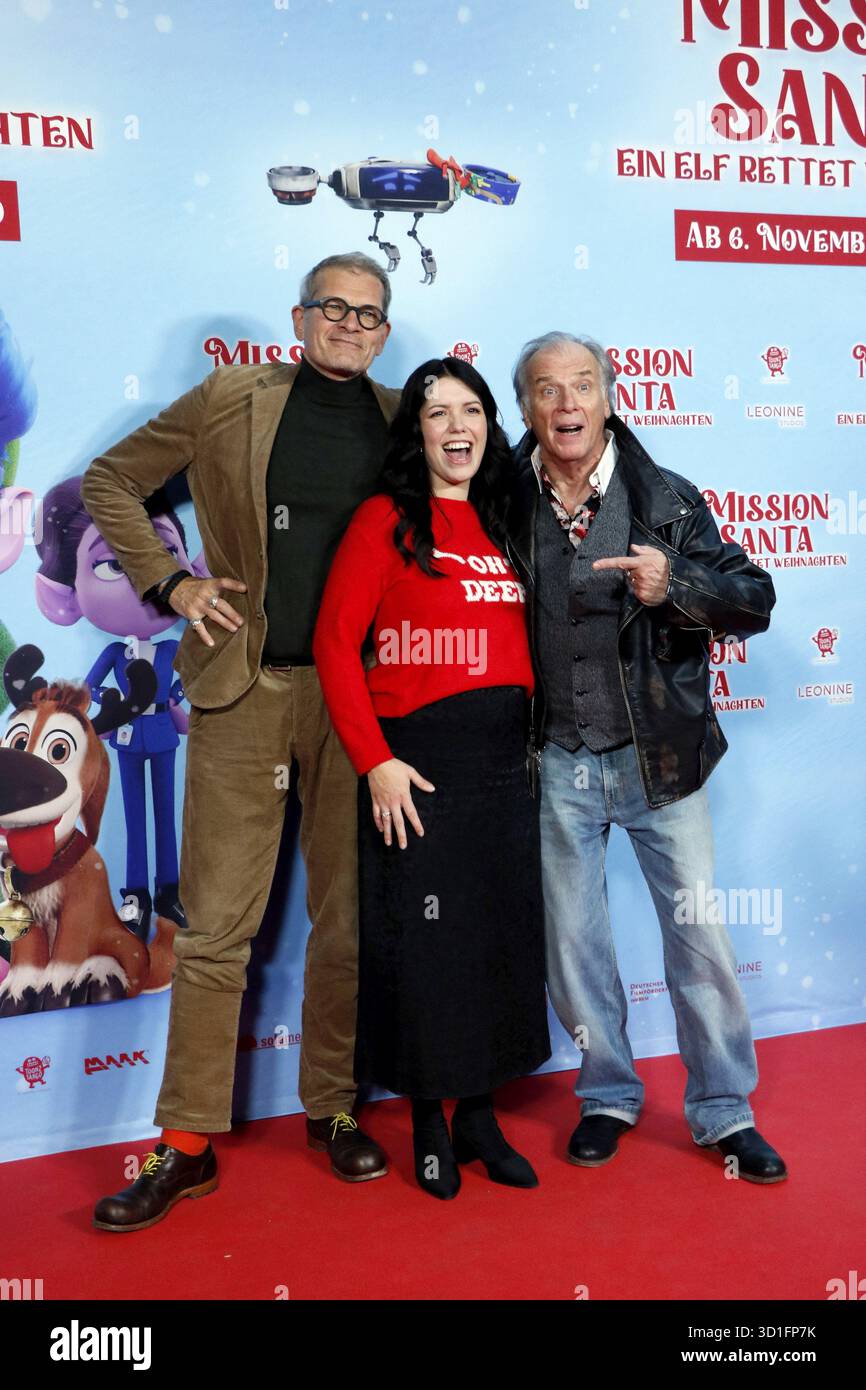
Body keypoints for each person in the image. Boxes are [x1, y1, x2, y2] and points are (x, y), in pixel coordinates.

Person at [82, 252, 402, 1232]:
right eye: (333, 308)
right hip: (243, 688)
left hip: (359, 702)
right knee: (216, 928)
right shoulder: (232, 396)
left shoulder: (406, 421)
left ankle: (333, 1106)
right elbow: (111, 480)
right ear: (299, 316)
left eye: (369, 313)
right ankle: (183, 1147)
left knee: (344, 922)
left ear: (384, 331)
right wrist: (171, 585)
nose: (349, 325)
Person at [506, 331, 787, 1184]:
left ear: (609, 396)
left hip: (657, 756)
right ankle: (607, 1095)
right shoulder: (498, 501)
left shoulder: (666, 498)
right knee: (575, 946)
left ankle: (724, 1110)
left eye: (581, 385)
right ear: (525, 408)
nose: (565, 405)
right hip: (554, 757)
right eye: (546, 390)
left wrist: (679, 588)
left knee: (697, 938)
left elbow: (756, 601)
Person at [313, 357, 551, 1200]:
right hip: (419, 764)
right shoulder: (386, 519)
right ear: (415, 432)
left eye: (471, 409)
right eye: (436, 412)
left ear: (490, 424)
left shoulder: (506, 517)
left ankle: (480, 1115)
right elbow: (336, 646)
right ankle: (426, 1118)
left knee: (494, 939)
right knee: (424, 946)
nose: (457, 425)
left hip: (506, 764)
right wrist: (376, 761)